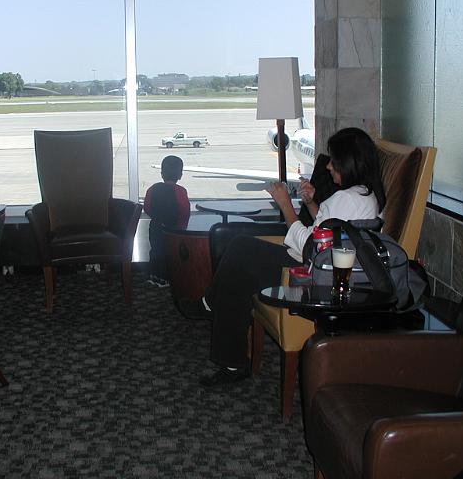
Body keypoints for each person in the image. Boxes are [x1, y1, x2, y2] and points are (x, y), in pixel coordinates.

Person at [189, 127, 386, 387]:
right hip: (321, 265)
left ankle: (212, 310)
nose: (328, 167)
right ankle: (225, 343)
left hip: (311, 275)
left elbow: (312, 249)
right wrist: (312, 203)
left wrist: (285, 205)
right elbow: (329, 232)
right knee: (237, 271)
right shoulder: (364, 195)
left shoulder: (346, 199)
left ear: (349, 163)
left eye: (334, 162)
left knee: (238, 249)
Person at [144, 155, 190, 287]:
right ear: (180, 175)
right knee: (172, 253)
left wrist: (156, 217)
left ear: (162, 174)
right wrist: (182, 227)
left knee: (156, 251)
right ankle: (168, 278)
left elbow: (147, 207)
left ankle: (153, 276)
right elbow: (184, 210)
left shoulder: (152, 189)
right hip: (174, 229)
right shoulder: (181, 191)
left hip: (156, 226)